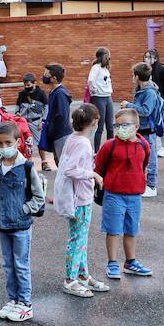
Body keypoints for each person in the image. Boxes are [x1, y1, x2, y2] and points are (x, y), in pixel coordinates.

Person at [0, 121, 46, 322]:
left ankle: (25, 303)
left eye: (8, 143)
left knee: (21, 265)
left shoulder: (27, 167)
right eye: (0, 143)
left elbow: (38, 197)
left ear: (18, 142)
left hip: (21, 224)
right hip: (3, 223)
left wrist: (24, 210)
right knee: (8, 265)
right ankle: (13, 300)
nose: (4, 147)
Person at [53, 103, 107, 298]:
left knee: (81, 238)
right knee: (77, 239)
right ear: (94, 122)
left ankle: (82, 274)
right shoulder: (83, 143)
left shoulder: (73, 138)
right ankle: (70, 279)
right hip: (79, 199)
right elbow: (71, 170)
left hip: (75, 196)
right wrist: (93, 174)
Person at [94, 108, 153, 280]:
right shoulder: (109, 146)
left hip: (135, 196)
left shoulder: (143, 145)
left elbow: (144, 165)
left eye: (125, 125)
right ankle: (112, 262)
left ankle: (130, 262)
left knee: (131, 230)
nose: (120, 128)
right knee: (113, 230)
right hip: (113, 194)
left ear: (136, 126)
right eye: (117, 125)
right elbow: (98, 168)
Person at [128, 62, 163, 197]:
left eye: (133, 75)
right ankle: (142, 182)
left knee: (150, 158)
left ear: (137, 76)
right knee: (139, 156)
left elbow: (146, 111)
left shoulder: (149, 92)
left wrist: (129, 105)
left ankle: (151, 186)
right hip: (140, 128)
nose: (132, 78)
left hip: (148, 129)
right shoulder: (140, 89)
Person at [38, 64, 72, 172]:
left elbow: (62, 115)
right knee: (59, 162)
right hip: (57, 134)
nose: (44, 76)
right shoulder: (54, 92)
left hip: (61, 134)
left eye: (46, 74)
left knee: (64, 165)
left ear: (54, 78)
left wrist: (52, 129)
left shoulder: (60, 94)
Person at [145, 49, 164, 157]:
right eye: (146, 56)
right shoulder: (146, 70)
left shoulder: (162, 70)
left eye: (149, 57)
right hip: (150, 102)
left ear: (156, 58)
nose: (146, 59)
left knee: (162, 123)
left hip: (161, 102)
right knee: (151, 123)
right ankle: (152, 145)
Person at [87, 48, 115, 145]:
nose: (109, 58)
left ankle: (111, 148)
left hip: (108, 97)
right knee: (100, 126)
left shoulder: (105, 69)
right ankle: (97, 151)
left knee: (110, 126)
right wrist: (94, 90)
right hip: (99, 98)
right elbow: (90, 80)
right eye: (107, 55)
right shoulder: (96, 67)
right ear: (103, 56)